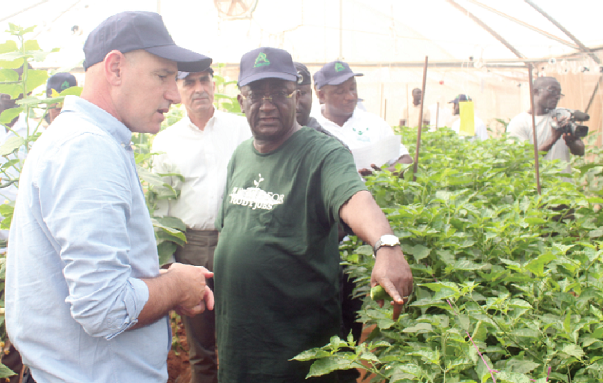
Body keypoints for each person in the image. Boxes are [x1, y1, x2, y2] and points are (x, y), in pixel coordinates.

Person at [6, 11, 216, 383]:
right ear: (115, 68)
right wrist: (176, 286)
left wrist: (162, 277)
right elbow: (104, 308)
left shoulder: (83, 139)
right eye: (163, 75)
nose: (173, 92)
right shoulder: (87, 149)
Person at [214, 47, 414, 383]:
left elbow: (355, 198)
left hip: (298, 351)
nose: (266, 105)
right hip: (239, 346)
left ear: (296, 96)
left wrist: (387, 245)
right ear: (240, 101)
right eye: (255, 95)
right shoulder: (240, 156)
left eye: (278, 93)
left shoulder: (324, 153)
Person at [151, 65, 251, 383]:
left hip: (238, 241)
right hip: (190, 247)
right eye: (189, 82)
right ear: (178, 90)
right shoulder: (165, 141)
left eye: (204, 80)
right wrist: (168, 265)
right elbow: (159, 206)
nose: (198, 88)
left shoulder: (241, 130)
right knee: (200, 343)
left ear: (213, 83)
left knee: (241, 334)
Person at [313, 60, 412, 177]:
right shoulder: (310, 126)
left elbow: (406, 159)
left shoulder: (374, 123)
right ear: (322, 95)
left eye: (352, 88)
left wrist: (381, 175)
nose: (350, 96)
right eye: (340, 92)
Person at [507, 76, 584, 175]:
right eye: (553, 91)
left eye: (559, 93)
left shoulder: (561, 115)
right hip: (539, 187)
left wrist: (571, 141)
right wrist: (553, 138)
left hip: (564, 187)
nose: (557, 96)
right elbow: (523, 162)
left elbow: (580, 151)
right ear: (535, 92)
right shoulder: (519, 122)